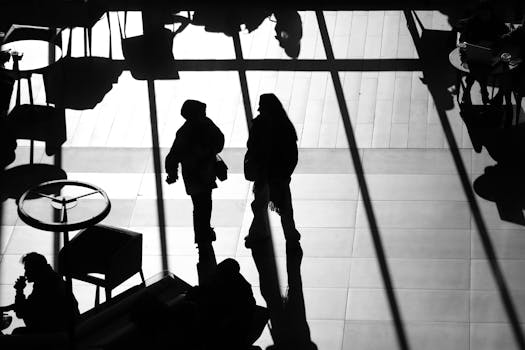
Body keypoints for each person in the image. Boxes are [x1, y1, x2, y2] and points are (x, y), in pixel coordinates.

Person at [165, 99, 225, 246]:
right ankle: (204, 232)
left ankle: (201, 233)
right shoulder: (205, 125)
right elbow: (219, 140)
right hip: (204, 172)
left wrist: (172, 173)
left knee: (199, 205)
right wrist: (210, 151)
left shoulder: (184, 132)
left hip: (192, 174)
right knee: (204, 204)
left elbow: (173, 155)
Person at [244, 93, 300, 248]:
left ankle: (258, 233)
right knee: (285, 206)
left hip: (263, 173)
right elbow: (292, 153)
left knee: (260, 205)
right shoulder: (284, 126)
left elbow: (252, 147)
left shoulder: (259, 124)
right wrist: (286, 172)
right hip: (279, 174)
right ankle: (290, 234)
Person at [0, 252, 79, 334]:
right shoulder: (51, 279)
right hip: (65, 330)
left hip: (54, 334)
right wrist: (8, 308)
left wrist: (19, 290)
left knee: (16, 334)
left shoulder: (45, 285)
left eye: (27, 269)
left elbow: (22, 312)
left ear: (35, 268)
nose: (25, 274)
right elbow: (28, 305)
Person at [457, 0, 510, 104]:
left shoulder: (496, 22)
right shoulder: (472, 22)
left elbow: (506, 34)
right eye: (482, 14)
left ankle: (471, 89)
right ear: (478, 13)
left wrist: (496, 43)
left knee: (480, 67)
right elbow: (463, 37)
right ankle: (483, 90)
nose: (484, 16)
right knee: (478, 65)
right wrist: (467, 44)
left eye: (486, 14)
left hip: (492, 53)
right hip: (475, 52)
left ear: (490, 12)